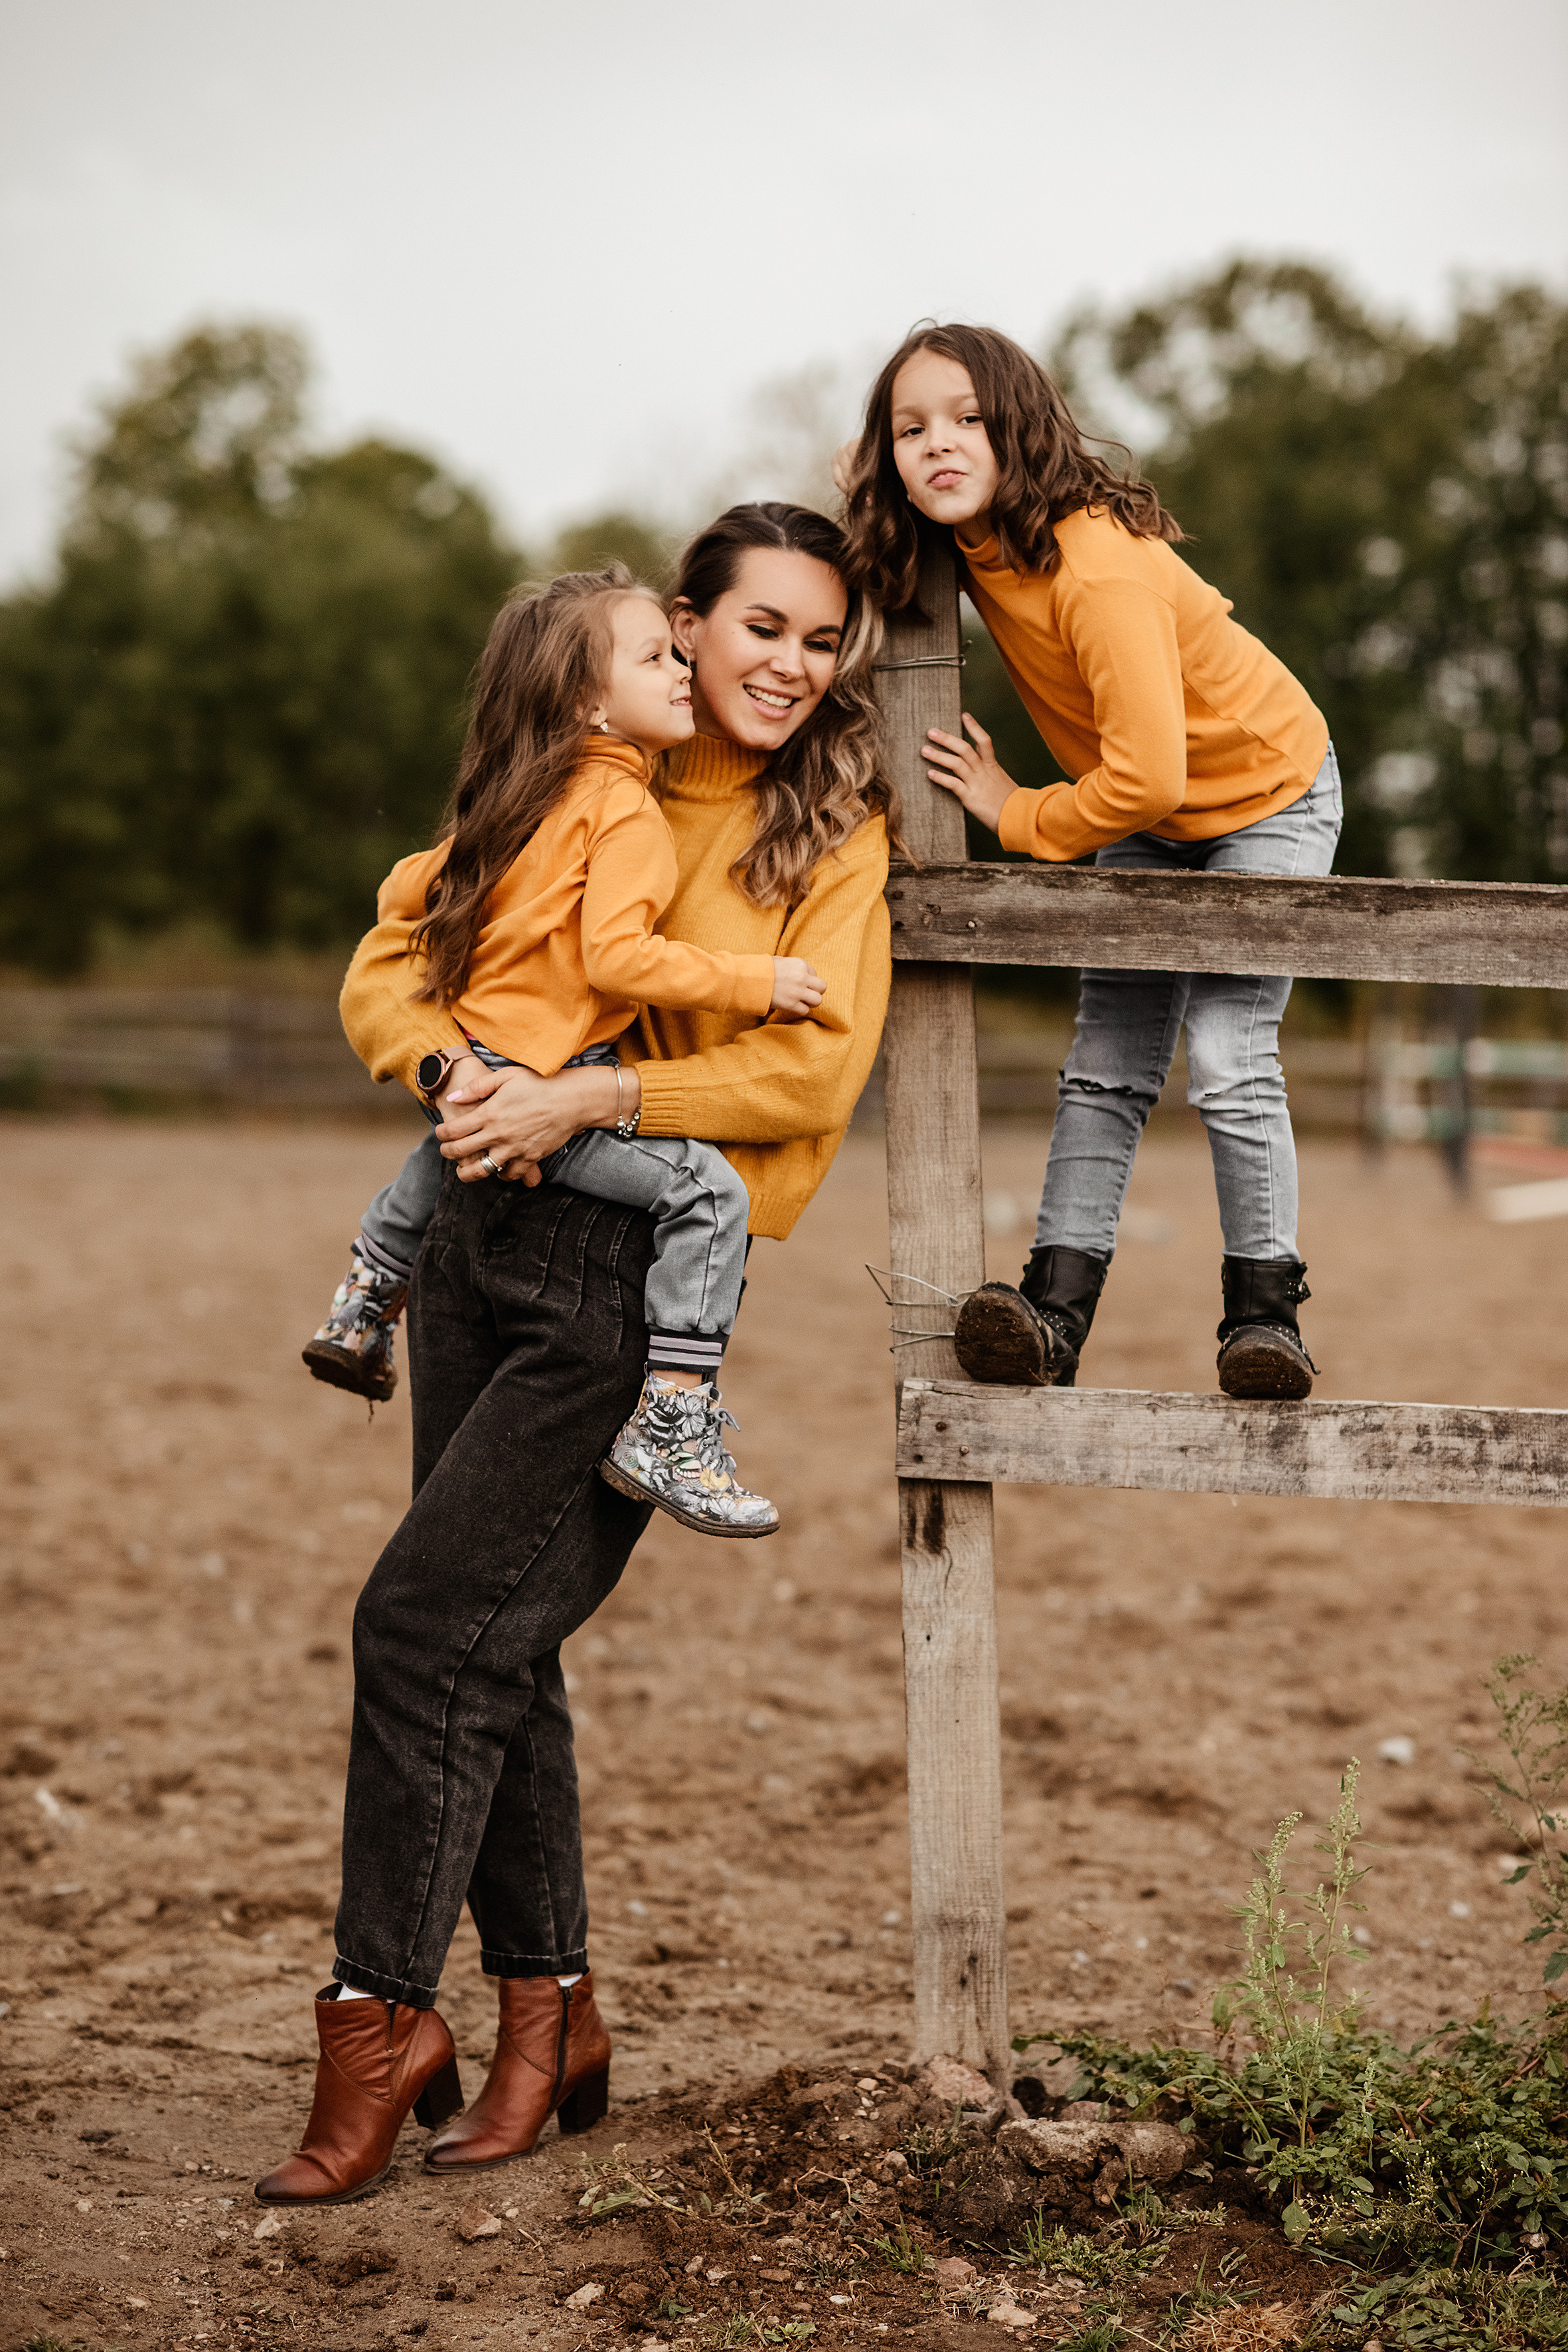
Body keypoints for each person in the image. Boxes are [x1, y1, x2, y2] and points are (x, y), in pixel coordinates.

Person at [254, 503, 898, 2207]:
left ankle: (377, 2014)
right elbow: (401, 950)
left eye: (821, 638)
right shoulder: (578, 764)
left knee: (419, 1624)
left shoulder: (828, 833)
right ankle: (554, 2016)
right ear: (679, 631)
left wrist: (595, 1091)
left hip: (631, 1275)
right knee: (494, 1639)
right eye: (760, 625)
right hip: (476, 1232)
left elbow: (804, 1083)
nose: (789, 663)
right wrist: (449, 1074)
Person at [839, 324, 1341, 1400]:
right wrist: (866, 485)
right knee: (1106, 1059)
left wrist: (1016, 813)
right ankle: (1051, 1315)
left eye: (968, 420)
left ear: (1018, 428)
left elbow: (1150, 781)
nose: (938, 445)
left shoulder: (1095, 566)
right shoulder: (962, 543)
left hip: (1265, 793)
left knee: (1223, 1051)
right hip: (1146, 808)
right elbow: (865, 572)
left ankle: (1265, 1320)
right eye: (909, 429)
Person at [302, 564, 829, 1537]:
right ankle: (674, 1419)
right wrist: (756, 980)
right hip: (550, 1085)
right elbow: (619, 957)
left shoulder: (511, 798)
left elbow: (399, 897)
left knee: (441, 1149)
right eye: (657, 658)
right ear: (591, 702)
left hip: (467, 1063)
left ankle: (362, 1302)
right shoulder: (624, 808)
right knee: (709, 1195)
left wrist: (461, 1050)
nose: (683, 672)